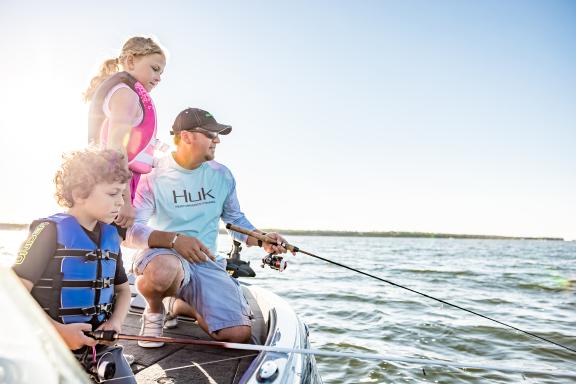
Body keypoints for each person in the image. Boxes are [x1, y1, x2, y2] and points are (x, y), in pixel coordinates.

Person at [125, 108, 290, 347]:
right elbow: (130, 231)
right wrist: (174, 240)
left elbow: (235, 221)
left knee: (237, 335)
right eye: (211, 134)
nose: (217, 140)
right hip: (162, 256)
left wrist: (261, 238)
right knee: (163, 270)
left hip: (206, 262)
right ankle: (154, 309)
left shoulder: (222, 175)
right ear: (187, 136)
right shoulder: (152, 174)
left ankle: (178, 305)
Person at [12, 149, 135, 383]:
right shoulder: (48, 231)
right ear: (80, 193)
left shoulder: (111, 237)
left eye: (123, 194)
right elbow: (14, 293)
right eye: (113, 193)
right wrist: (58, 332)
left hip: (99, 350)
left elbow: (124, 290)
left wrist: (115, 323)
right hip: (47, 347)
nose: (121, 201)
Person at [84, 36, 167, 230]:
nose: (159, 78)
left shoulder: (126, 93)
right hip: (112, 186)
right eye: (155, 69)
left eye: (162, 73)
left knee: (108, 248)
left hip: (114, 184)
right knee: (107, 246)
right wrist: (124, 201)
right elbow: (116, 147)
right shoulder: (126, 94)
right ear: (130, 61)